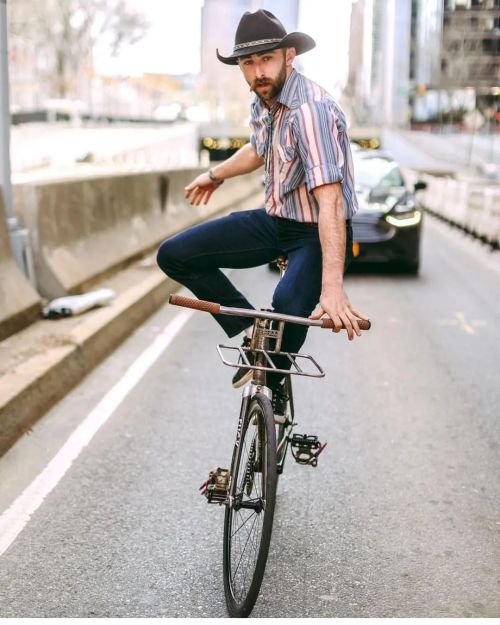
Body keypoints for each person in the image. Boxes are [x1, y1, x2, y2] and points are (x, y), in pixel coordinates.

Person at [157, 9, 369, 396]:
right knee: (174, 254)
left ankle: (273, 403)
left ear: (290, 55)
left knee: (286, 306)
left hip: (315, 232)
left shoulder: (310, 110)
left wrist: (332, 288)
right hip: (275, 223)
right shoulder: (264, 100)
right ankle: (248, 329)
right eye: (248, 63)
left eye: (266, 59)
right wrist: (214, 175)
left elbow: (331, 201)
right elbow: (258, 149)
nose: (258, 72)